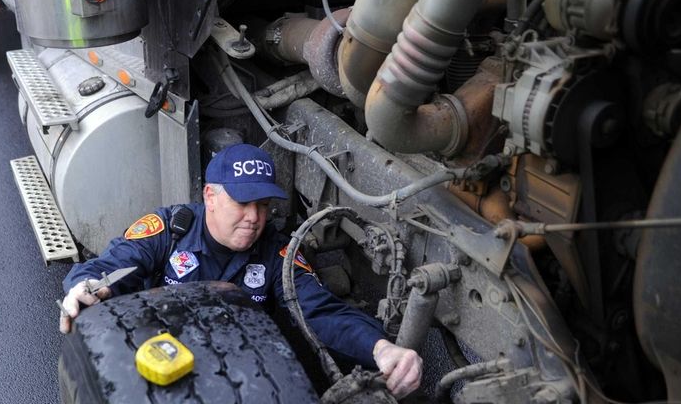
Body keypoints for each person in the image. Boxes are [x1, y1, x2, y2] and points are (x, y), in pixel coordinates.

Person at [60, 143, 422, 398]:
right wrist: (84, 287)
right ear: (210, 196)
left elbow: (319, 311)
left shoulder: (277, 252)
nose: (254, 218)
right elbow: (107, 269)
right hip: (160, 356)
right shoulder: (170, 229)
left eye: (263, 205)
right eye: (242, 203)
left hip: (237, 366)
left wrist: (380, 349)